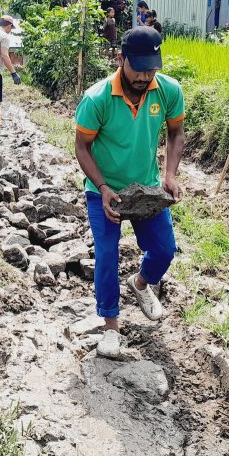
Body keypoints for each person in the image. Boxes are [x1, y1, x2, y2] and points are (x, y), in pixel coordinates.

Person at [74, 26, 185, 358]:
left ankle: (139, 285)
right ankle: (110, 327)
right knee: (107, 255)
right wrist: (104, 187)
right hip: (105, 191)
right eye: (139, 68)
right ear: (121, 59)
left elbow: (176, 133)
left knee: (165, 249)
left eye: (152, 68)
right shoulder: (97, 98)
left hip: (147, 188)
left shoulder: (167, 90)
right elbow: (82, 146)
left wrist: (169, 175)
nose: (145, 75)